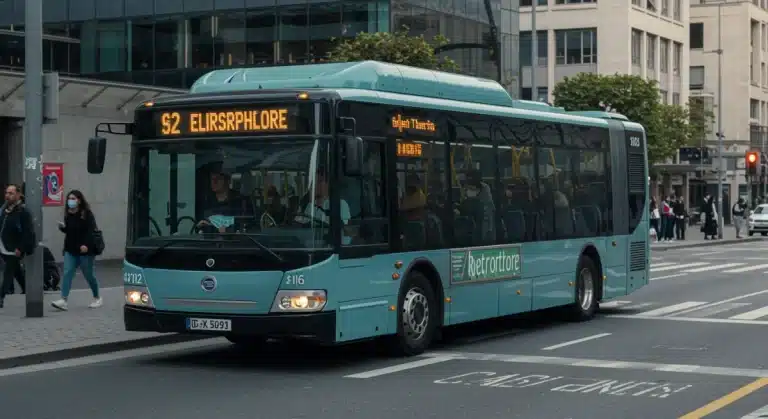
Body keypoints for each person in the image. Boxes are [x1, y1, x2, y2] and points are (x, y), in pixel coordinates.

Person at [51, 190, 102, 311]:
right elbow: (70, 231)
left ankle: (97, 297)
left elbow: (91, 231)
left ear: (79, 200)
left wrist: (86, 245)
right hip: (71, 249)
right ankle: (63, 299)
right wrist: (63, 228)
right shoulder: (68, 214)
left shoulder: (86, 214)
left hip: (85, 250)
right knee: (68, 272)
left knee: (88, 275)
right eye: (69, 198)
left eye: (73, 198)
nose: (70, 201)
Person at [0, 184, 34, 308]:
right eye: (7, 193)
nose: (7, 196)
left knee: (8, 271)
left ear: (18, 195)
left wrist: (21, 247)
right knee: (16, 271)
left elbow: (28, 232)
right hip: (3, 245)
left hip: (15, 248)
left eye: (11, 193)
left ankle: (1, 296)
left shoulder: (23, 211)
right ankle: (26, 288)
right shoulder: (4, 209)